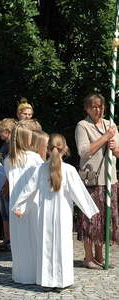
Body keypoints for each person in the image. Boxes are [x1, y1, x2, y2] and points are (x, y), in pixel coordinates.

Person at [13, 134, 99, 289]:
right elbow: (80, 193)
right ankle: (62, 281)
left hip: (45, 216)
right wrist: (91, 212)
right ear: (65, 149)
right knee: (62, 247)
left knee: (46, 247)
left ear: (47, 149)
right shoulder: (69, 170)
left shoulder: (40, 169)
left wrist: (18, 206)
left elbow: (27, 190)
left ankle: (46, 281)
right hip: (63, 216)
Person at [75, 93, 119, 269]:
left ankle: (100, 255)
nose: (97, 109)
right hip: (91, 179)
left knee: (105, 219)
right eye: (93, 106)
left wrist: (115, 148)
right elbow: (84, 151)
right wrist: (105, 138)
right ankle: (88, 257)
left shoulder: (111, 125)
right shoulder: (83, 126)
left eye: (100, 106)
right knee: (90, 218)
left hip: (109, 180)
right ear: (87, 108)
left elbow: (118, 152)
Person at [4, 124, 43, 284]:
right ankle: (36, 273)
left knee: (19, 239)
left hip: (15, 203)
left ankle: (21, 274)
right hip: (32, 202)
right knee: (34, 236)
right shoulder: (34, 158)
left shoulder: (8, 159)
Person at [0, 118, 18, 251]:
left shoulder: (13, 147)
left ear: (8, 132)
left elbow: (13, 168)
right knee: (4, 213)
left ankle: (12, 240)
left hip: (9, 184)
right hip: (2, 182)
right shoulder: (5, 145)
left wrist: (7, 185)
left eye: (1, 131)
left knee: (9, 213)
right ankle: (6, 238)